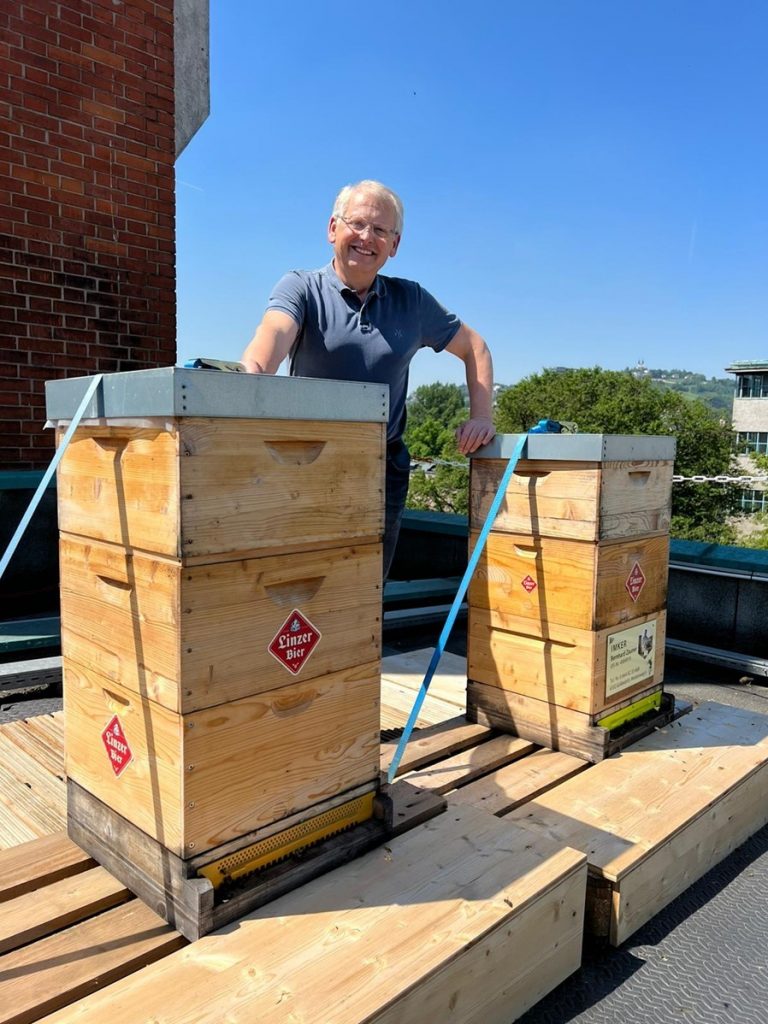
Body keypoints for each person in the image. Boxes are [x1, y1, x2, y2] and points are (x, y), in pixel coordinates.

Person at [241, 179, 495, 578]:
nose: (366, 237)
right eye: (356, 224)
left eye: (380, 230)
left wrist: (481, 416)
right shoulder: (301, 287)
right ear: (332, 229)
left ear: (394, 245)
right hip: (306, 465)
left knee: (366, 589)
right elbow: (273, 333)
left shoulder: (412, 301)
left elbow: (474, 346)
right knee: (303, 581)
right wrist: (250, 378)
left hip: (383, 469)